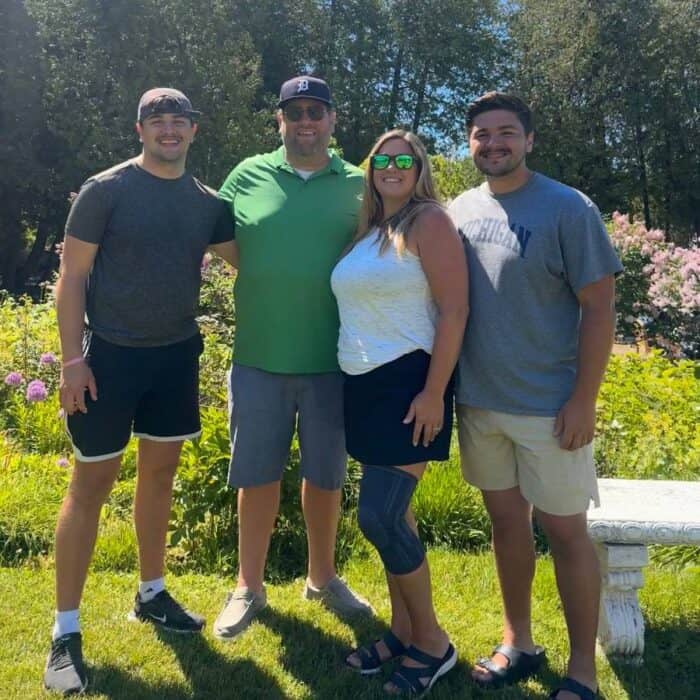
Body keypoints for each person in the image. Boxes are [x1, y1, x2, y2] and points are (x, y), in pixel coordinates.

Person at [44, 88, 236, 695]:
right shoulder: (106, 190)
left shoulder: (208, 203)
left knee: (160, 476)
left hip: (175, 357)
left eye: (179, 120)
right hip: (109, 359)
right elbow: (70, 278)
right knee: (91, 483)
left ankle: (151, 594)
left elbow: (255, 262)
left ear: (194, 131)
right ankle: (64, 632)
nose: (169, 129)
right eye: (159, 121)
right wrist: (73, 361)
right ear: (141, 129)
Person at [448, 92, 622, 700]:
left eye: (506, 133)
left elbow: (599, 308)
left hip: (549, 407)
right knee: (506, 523)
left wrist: (584, 399)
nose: (493, 143)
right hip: (479, 402)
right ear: (468, 142)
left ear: (528, 140)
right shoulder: (457, 210)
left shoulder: (568, 207)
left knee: (566, 531)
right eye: (481, 134)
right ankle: (517, 639)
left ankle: (582, 672)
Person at [214, 75, 372, 640]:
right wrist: (262, 273)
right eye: (295, 112)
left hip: (336, 359)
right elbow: (218, 236)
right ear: (279, 120)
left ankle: (322, 577)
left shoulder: (360, 182)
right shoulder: (246, 175)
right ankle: (248, 587)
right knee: (255, 474)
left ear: (333, 120)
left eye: (316, 111)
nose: (306, 121)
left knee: (325, 475)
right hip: (260, 354)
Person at [332, 130, 468, 695]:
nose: (391, 167)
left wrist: (435, 392)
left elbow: (456, 309)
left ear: (418, 168)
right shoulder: (370, 231)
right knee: (398, 520)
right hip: (364, 387)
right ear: (370, 169)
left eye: (402, 159)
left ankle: (434, 644)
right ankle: (403, 631)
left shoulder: (429, 221)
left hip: (410, 385)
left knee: (380, 518)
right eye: (381, 159)